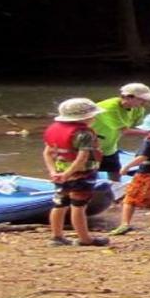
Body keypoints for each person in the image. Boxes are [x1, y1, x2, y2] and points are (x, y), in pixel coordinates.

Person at [42, 98, 109, 247]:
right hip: (82, 175)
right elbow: (82, 158)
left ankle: (56, 237)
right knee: (78, 206)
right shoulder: (84, 134)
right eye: (92, 115)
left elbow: (47, 153)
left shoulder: (54, 129)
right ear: (86, 117)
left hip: (59, 173)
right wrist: (69, 173)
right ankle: (85, 239)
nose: (94, 118)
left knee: (59, 204)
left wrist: (54, 172)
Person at [93, 83, 150, 181]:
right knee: (89, 175)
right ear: (128, 97)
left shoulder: (138, 109)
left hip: (110, 146)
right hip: (91, 145)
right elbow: (125, 131)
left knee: (115, 172)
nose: (145, 102)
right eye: (142, 99)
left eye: (147, 100)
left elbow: (140, 128)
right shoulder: (108, 107)